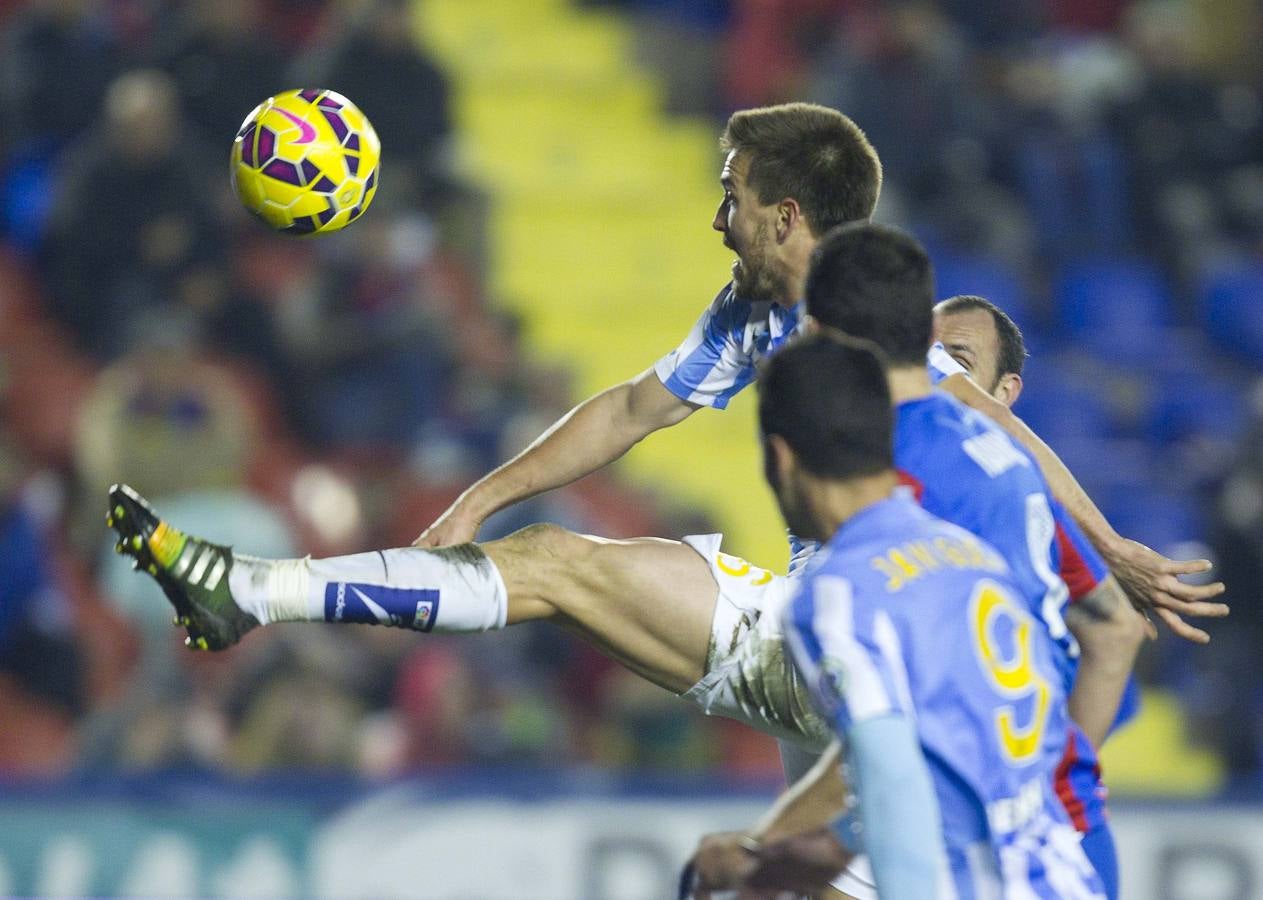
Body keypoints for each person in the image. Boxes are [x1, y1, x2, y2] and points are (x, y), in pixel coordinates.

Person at [683, 334, 1105, 898]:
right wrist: (777, 859)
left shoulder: (839, 592)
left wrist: (762, 851)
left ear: (781, 458)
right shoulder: (971, 557)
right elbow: (942, 773)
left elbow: (891, 781)